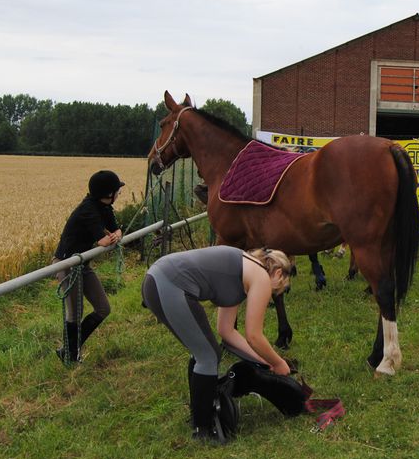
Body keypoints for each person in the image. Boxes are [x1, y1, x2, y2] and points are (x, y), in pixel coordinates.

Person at [141, 246, 293, 443]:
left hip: (157, 280)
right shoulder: (261, 276)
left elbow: (227, 331)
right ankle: (203, 430)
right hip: (169, 284)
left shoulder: (242, 271)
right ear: (278, 272)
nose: (272, 292)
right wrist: (279, 363)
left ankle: (199, 415)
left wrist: (264, 361)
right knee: (208, 356)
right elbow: (254, 336)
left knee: (203, 352)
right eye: (278, 287)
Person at [54, 170, 125, 363]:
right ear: (109, 194)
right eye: (117, 190)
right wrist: (112, 237)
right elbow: (103, 241)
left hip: (82, 263)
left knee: (103, 308)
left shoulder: (104, 207)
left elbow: (116, 229)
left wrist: (117, 234)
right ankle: (70, 356)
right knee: (75, 313)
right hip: (67, 263)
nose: (119, 194)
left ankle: (69, 349)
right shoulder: (89, 209)